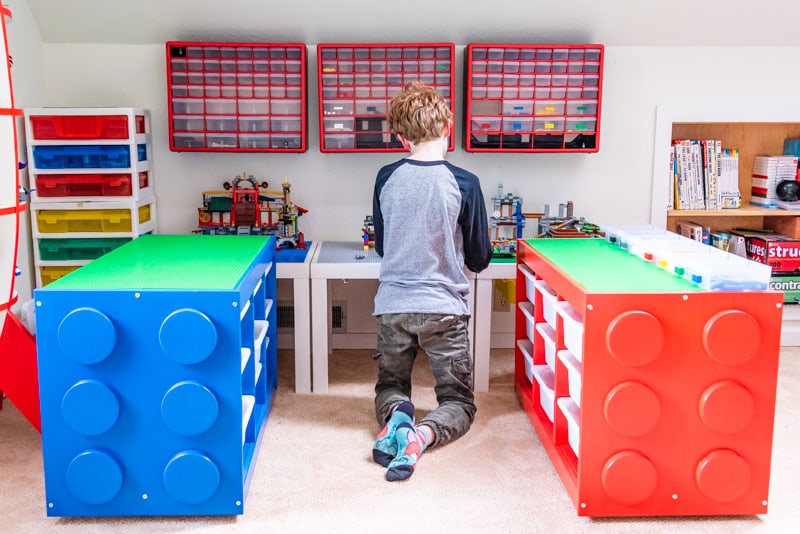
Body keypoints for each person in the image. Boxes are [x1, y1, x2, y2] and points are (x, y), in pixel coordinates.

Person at [370, 81, 493, 481]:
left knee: (390, 387)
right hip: (444, 308)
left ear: (400, 137)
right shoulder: (466, 182)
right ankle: (423, 435)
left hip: (393, 307)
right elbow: (479, 258)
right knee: (458, 400)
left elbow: (384, 247)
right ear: (448, 129)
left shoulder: (385, 176)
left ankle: (401, 417)